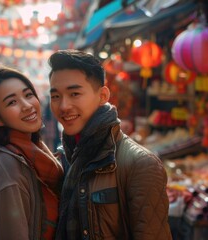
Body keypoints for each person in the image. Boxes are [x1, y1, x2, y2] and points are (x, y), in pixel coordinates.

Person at [47, 50, 172, 240]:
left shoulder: (140, 164)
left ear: (103, 95)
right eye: (56, 96)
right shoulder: (66, 158)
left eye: (75, 93)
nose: (63, 106)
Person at [0, 67, 64, 239]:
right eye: (12, 102)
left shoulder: (33, 153)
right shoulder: (9, 171)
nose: (27, 106)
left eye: (28, 95)